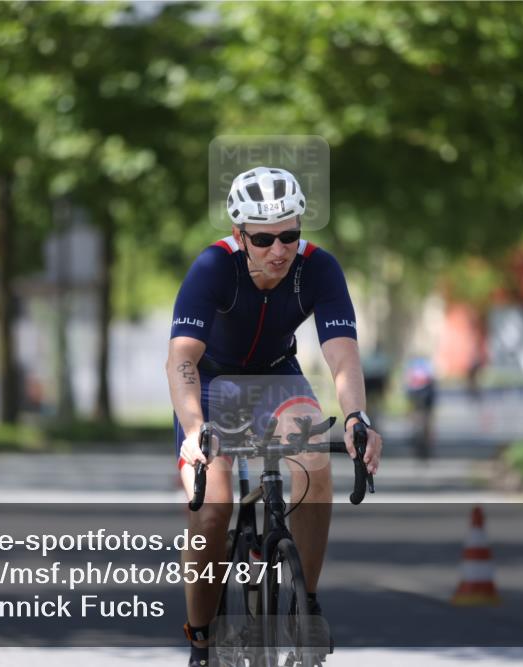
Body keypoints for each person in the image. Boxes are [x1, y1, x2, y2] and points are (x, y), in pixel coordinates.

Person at [166, 166, 383, 667]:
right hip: (214, 384)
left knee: (314, 459)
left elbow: (343, 356)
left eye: (290, 235)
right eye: (263, 239)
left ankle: (305, 604)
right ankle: (199, 639)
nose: (278, 250)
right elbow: (181, 359)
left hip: (276, 377)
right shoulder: (212, 267)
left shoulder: (319, 269)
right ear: (240, 235)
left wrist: (356, 417)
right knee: (213, 508)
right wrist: (195, 428)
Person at [404, 356, 436, 459]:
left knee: (416, 413)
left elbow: (407, 381)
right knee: (427, 416)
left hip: (415, 392)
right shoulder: (428, 365)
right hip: (426, 393)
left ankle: (416, 429)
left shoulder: (412, 365)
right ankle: (427, 437)